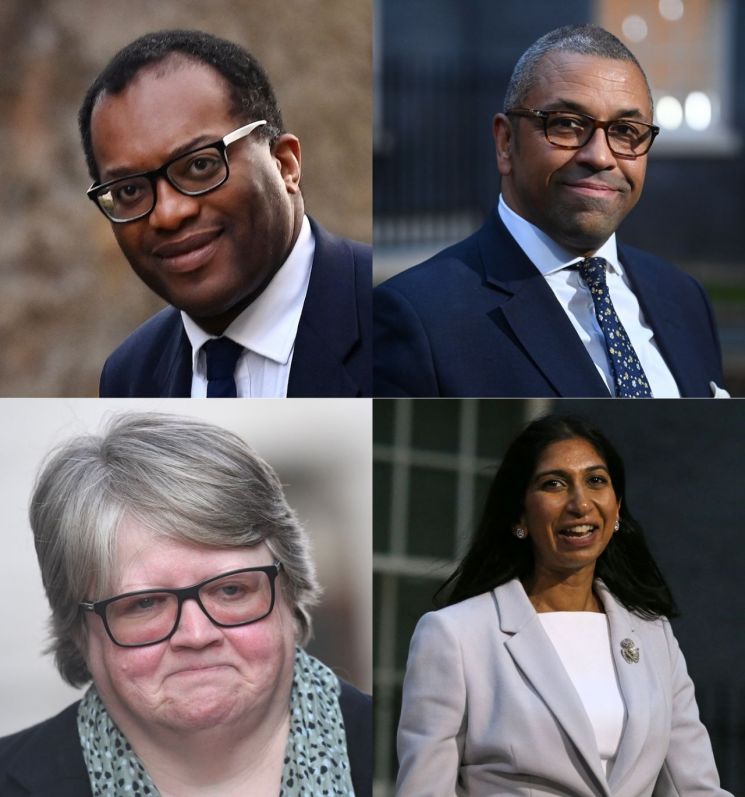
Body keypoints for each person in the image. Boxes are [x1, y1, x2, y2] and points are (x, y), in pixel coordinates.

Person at [0, 413, 371, 796]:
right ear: (79, 631)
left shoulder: (387, 746)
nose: (196, 634)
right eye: (145, 604)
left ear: (290, 592)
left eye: (231, 591)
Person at [374, 25, 725, 398]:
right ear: (506, 142)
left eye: (625, 130)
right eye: (567, 124)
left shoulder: (685, 297)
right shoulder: (419, 317)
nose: (600, 156)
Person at [396, 415, 730, 796]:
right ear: (520, 513)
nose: (580, 503)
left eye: (596, 481)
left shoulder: (655, 636)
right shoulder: (454, 634)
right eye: (554, 484)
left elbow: (696, 788)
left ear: (617, 507)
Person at [79, 30, 371, 398]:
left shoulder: (397, 317)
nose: (168, 214)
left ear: (285, 164)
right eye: (130, 190)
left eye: (200, 165)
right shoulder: (129, 375)